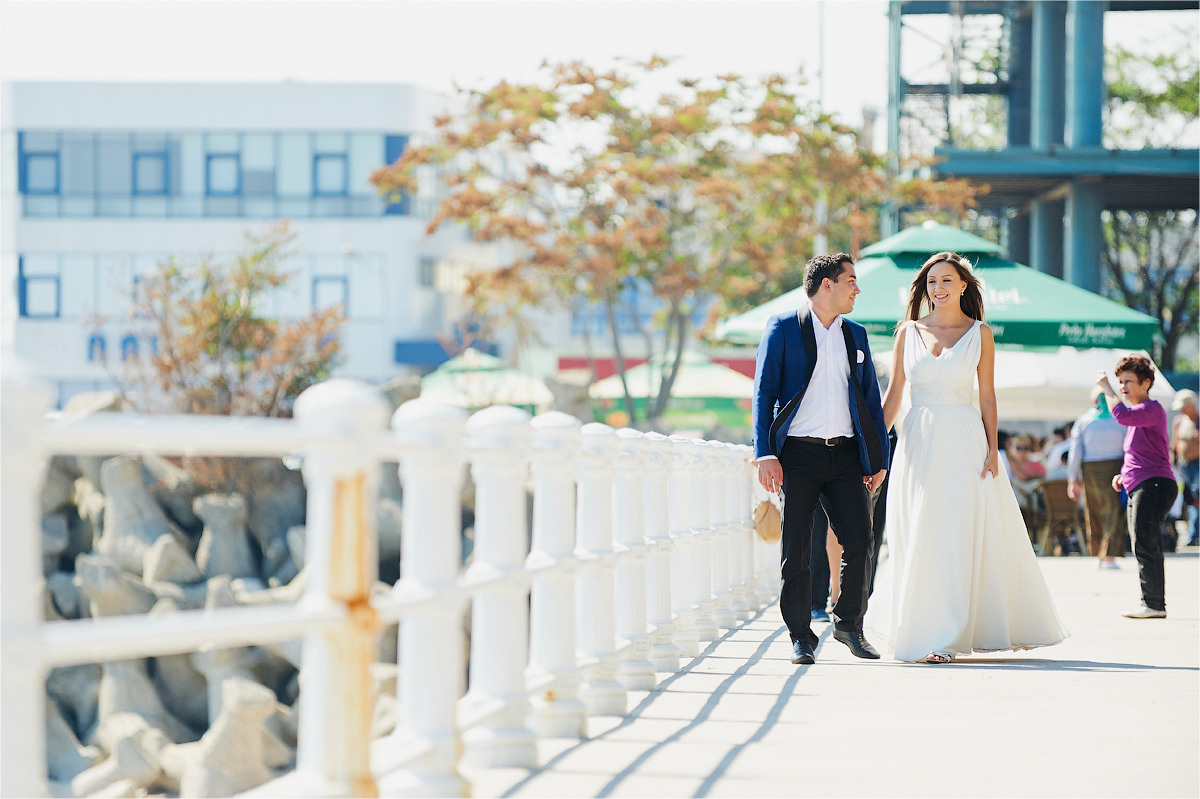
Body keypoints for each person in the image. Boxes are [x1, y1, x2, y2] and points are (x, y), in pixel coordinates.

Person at [864, 251, 1067, 663]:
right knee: (918, 532)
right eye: (931, 281)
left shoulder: (981, 333)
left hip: (964, 440)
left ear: (962, 286)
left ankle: (947, 638)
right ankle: (920, 629)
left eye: (946, 280)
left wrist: (994, 450)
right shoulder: (907, 332)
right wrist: (872, 451)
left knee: (955, 533)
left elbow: (987, 396)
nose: (937, 288)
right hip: (917, 443)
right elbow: (894, 396)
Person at [752, 252, 889, 666]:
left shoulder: (856, 335)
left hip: (846, 454)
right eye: (851, 281)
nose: (857, 290)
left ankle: (848, 623)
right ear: (826, 284)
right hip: (798, 454)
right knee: (796, 548)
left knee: (861, 540)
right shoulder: (783, 328)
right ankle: (800, 636)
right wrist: (764, 453)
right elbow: (764, 394)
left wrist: (876, 459)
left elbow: (870, 401)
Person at [1096, 357, 1178, 619]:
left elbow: (1120, 415)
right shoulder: (1142, 416)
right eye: (1120, 382)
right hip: (1144, 482)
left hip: (1153, 484)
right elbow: (1141, 454)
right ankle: (1152, 603)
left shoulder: (1151, 409)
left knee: (1145, 544)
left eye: (1128, 381)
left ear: (1146, 383)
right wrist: (1124, 474)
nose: (1122, 387)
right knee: (1144, 543)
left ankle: (1153, 603)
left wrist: (1106, 387)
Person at [1067, 388, 1127, 568]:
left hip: (1091, 470)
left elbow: (1075, 452)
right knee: (1114, 512)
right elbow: (1129, 446)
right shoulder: (1120, 420)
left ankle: (1101, 555)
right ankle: (1108, 555)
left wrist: (1072, 480)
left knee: (1094, 511)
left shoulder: (1084, 421)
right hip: (1116, 468)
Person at [1169, 389, 1199, 547]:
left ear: (1191, 405)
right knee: (1188, 500)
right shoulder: (1179, 421)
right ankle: (1193, 533)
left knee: (1196, 498)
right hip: (1183, 465)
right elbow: (1174, 443)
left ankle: (1194, 534)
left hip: (1198, 464)